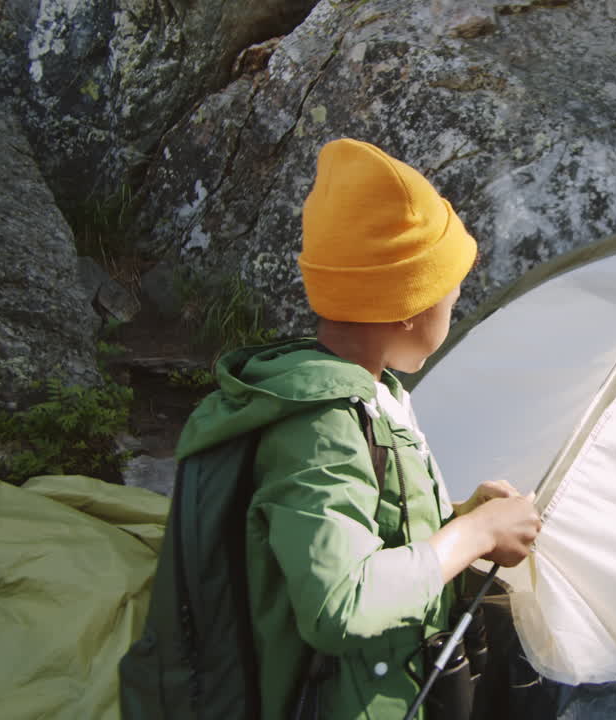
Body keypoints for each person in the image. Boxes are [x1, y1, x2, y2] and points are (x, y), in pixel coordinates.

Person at [172, 138, 542, 719]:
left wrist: (461, 521)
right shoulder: (322, 422)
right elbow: (339, 601)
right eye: (452, 289)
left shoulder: (375, 394)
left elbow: (376, 531)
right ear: (409, 303)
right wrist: (470, 540)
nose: (457, 302)